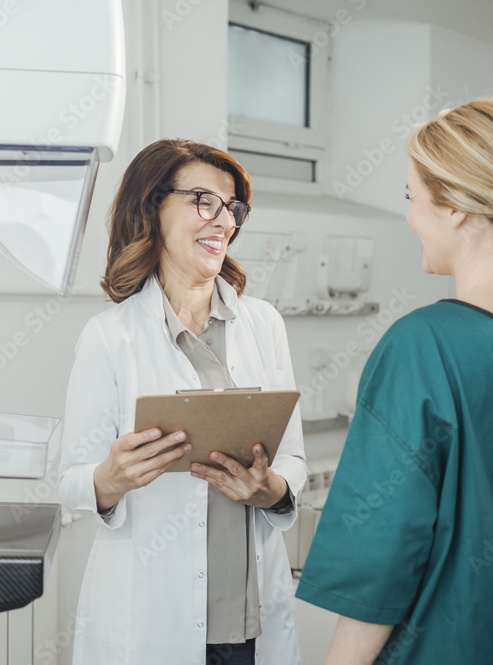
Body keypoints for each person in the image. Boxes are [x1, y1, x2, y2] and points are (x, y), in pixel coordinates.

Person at [296, 98, 493, 665]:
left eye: (411, 197)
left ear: (455, 206)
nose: (410, 217)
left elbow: (378, 560)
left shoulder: (421, 343)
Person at [58, 139, 307, 665]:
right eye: (203, 201)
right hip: (153, 620)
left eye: (232, 207)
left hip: (247, 623)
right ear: (152, 206)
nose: (224, 221)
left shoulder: (263, 325)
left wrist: (270, 490)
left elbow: (293, 460)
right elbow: (71, 481)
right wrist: (111, 479)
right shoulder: (109, 336)